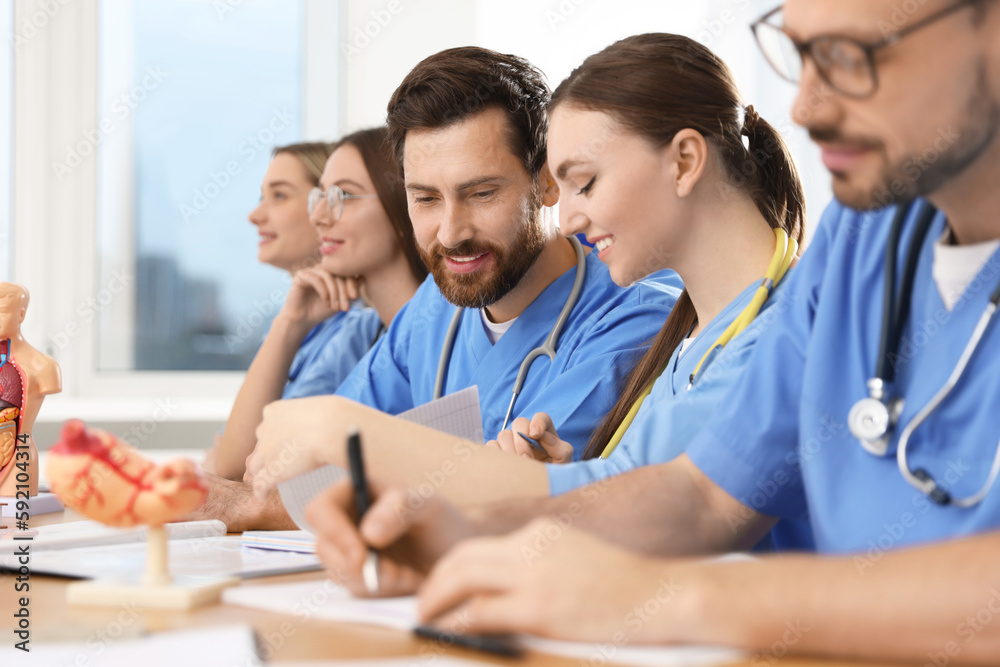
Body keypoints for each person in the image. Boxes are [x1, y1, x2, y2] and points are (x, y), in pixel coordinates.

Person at [257, 1, 1000, 662]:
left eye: (848, 55)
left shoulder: (660, 311)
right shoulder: (865, 240)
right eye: (800, 54)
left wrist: (668, 600)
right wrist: (467, 533)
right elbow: (704, 495)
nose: (804, 106)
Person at [248, 33, 812, 536]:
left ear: (685, 161)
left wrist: (343, 431)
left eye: (584, 182)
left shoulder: (784, 331)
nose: (567, 220)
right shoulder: (692, 342)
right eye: (425, 197)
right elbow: (622, 493)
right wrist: (562, 487)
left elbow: (685, 510)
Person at [243, 46, 682, 498]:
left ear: (548, 181)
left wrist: (341, 446)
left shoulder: (632, 324)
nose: (451, 233)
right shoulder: (435, 306)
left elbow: (506, 492)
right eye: (427, 199)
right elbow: (306, 467)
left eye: (482, 194)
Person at [213, 133, 425, 481]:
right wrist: (289, 324)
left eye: (342, 196)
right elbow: (244, 466)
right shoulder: (370, 336)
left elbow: (246, 472)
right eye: (320, 198)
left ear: (404, 204)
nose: (320, 216)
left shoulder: (433, 329)